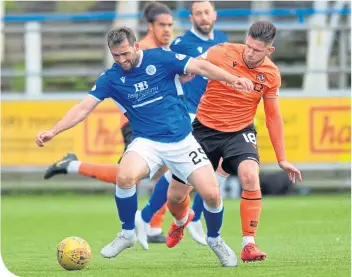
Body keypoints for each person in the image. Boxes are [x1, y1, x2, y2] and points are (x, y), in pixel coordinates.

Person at [36, 27, 252, 266]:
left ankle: (215, 239)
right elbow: (83, 107)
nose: (122, 60)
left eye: (125, 53)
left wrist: (234, 79)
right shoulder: (111, 78)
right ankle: (127, 233)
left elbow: (201, 67)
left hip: (182, 140)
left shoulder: (160, 57)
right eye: (116, 55)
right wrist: (53, 131)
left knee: (211, 194)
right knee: (125, 176)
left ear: (136, 46)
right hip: (146, 141)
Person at [165, 20, 303, 263]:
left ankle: (248, 243)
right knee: (176, 196)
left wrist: (282, 158)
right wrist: (184, 73)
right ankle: (180, 220)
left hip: (239, 133)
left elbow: (273, 117)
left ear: (269, 50)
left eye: (257, 50)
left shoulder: (270, 75)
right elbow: (194, 64)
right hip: (204, 130)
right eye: (248, 46)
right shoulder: (222, 51)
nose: (250, 52)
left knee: (250, 175)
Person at [45, 1, 174, 245]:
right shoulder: (141, 52)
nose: (168, 30)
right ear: (149, 26)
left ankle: (154, 226)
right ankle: (73, 166)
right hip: (139, 126)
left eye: (170, 25)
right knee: (129, 177)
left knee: (169, 173)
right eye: (162, 25)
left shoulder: (164, 51)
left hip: (163, 124)